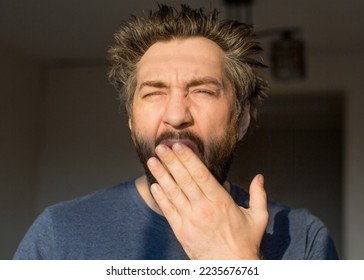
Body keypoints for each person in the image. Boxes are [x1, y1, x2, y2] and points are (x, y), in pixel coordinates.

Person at [13, 4, 338, 260]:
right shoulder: (58, 234)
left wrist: (234, 263)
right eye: (154, 92)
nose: (176, 115)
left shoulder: (304, 238)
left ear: (241, 120)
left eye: (203, 91)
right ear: (131, 121)